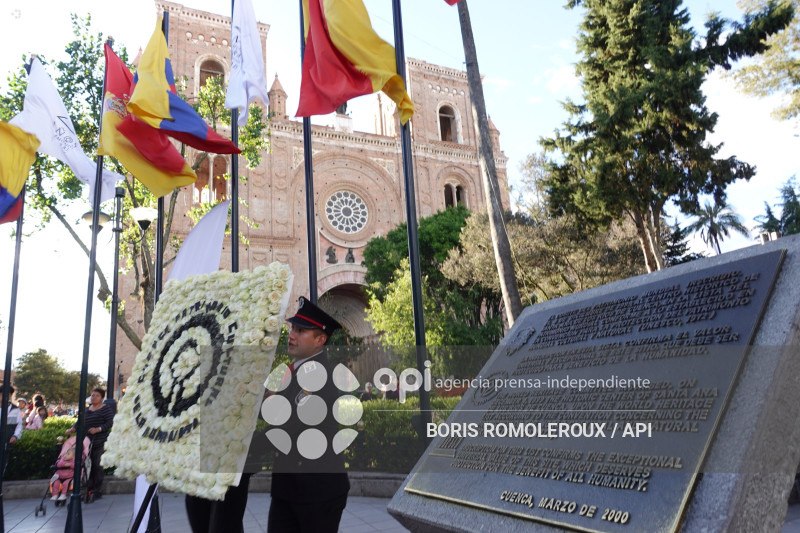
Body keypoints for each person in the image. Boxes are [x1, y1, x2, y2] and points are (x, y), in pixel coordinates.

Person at [267, 296, 350, 533]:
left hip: (317, 492)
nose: (291, 335)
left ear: (320, 340)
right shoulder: (291, 371)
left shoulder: (319, 376)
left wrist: (241, 448)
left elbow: (288, 424)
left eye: (301, 331)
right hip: (288, 488)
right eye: (293, 328)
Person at [65, 388, 113, 500]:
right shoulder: (86, 410)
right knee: (87, 466)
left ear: (102, 398)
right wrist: (73, 429)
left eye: (97, 396)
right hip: (86, 442)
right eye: (92, 395)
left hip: (100, 441)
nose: (94, 397)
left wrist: (98, 429)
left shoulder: (106, 409)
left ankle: (97, 490)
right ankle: (88, 489)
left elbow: (110, 422)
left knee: (97, 465)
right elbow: (79, 422)